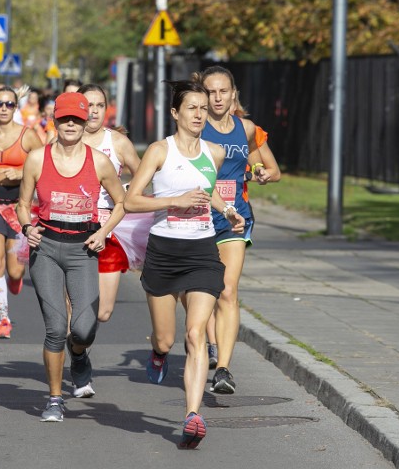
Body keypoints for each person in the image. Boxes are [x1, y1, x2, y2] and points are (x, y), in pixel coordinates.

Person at [124, 79, 244, 449]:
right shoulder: (160, 151)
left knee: (195, 334)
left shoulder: (214, 152)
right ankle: (159, 353)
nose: (199, 114)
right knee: (167, 337)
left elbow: (206, 191)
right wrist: (173, 202)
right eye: (191, 108)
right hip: (164, 253)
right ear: (175, 113)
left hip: (202, 251)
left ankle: (193, 415)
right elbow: (131, 201)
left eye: (203, 108)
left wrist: (228, 210)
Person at [17, 92, 127, 422]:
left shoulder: (99, 162)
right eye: (64, 118)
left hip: (83, 250)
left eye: (76, 119)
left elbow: (121, 202)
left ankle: (78, 356)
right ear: (55, 120)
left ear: (85, 123)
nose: (70, 124)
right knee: (55, 328)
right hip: (47, 247)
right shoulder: (37, 158)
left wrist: (103, 231)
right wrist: (26, 227)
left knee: (84, 329)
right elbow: (23, 204)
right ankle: (54, 398)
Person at [197, 66, 272, 395]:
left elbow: (269, 167)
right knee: (201, 292)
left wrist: (260, 171)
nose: (217, 97)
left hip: (234, 218)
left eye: (222, 91)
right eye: (211, 92)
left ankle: (223, 368)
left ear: (233, 94)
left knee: (227, 292)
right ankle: (209, 343)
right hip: (197, 218)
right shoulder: (194, 126)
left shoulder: (246, 128)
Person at [0, 87, 42, 338]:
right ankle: (3, 319)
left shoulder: (29, 136)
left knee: (14, 270)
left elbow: (45, 165)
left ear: (16, 107)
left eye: (9, 104)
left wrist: (22, 172)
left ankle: (14, 280)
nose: (4, 108)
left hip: (18, 206)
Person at [79, 84, 141, 324]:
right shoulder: (66, 139)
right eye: (88, 105)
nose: (94, 111)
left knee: (103, 312)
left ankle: (80, 343)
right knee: (71, 306)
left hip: (110, 226)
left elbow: (142, 176)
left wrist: (126, 190)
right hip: (72, 224)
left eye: (100, 105)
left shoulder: (118, 141)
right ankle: (77, 354)